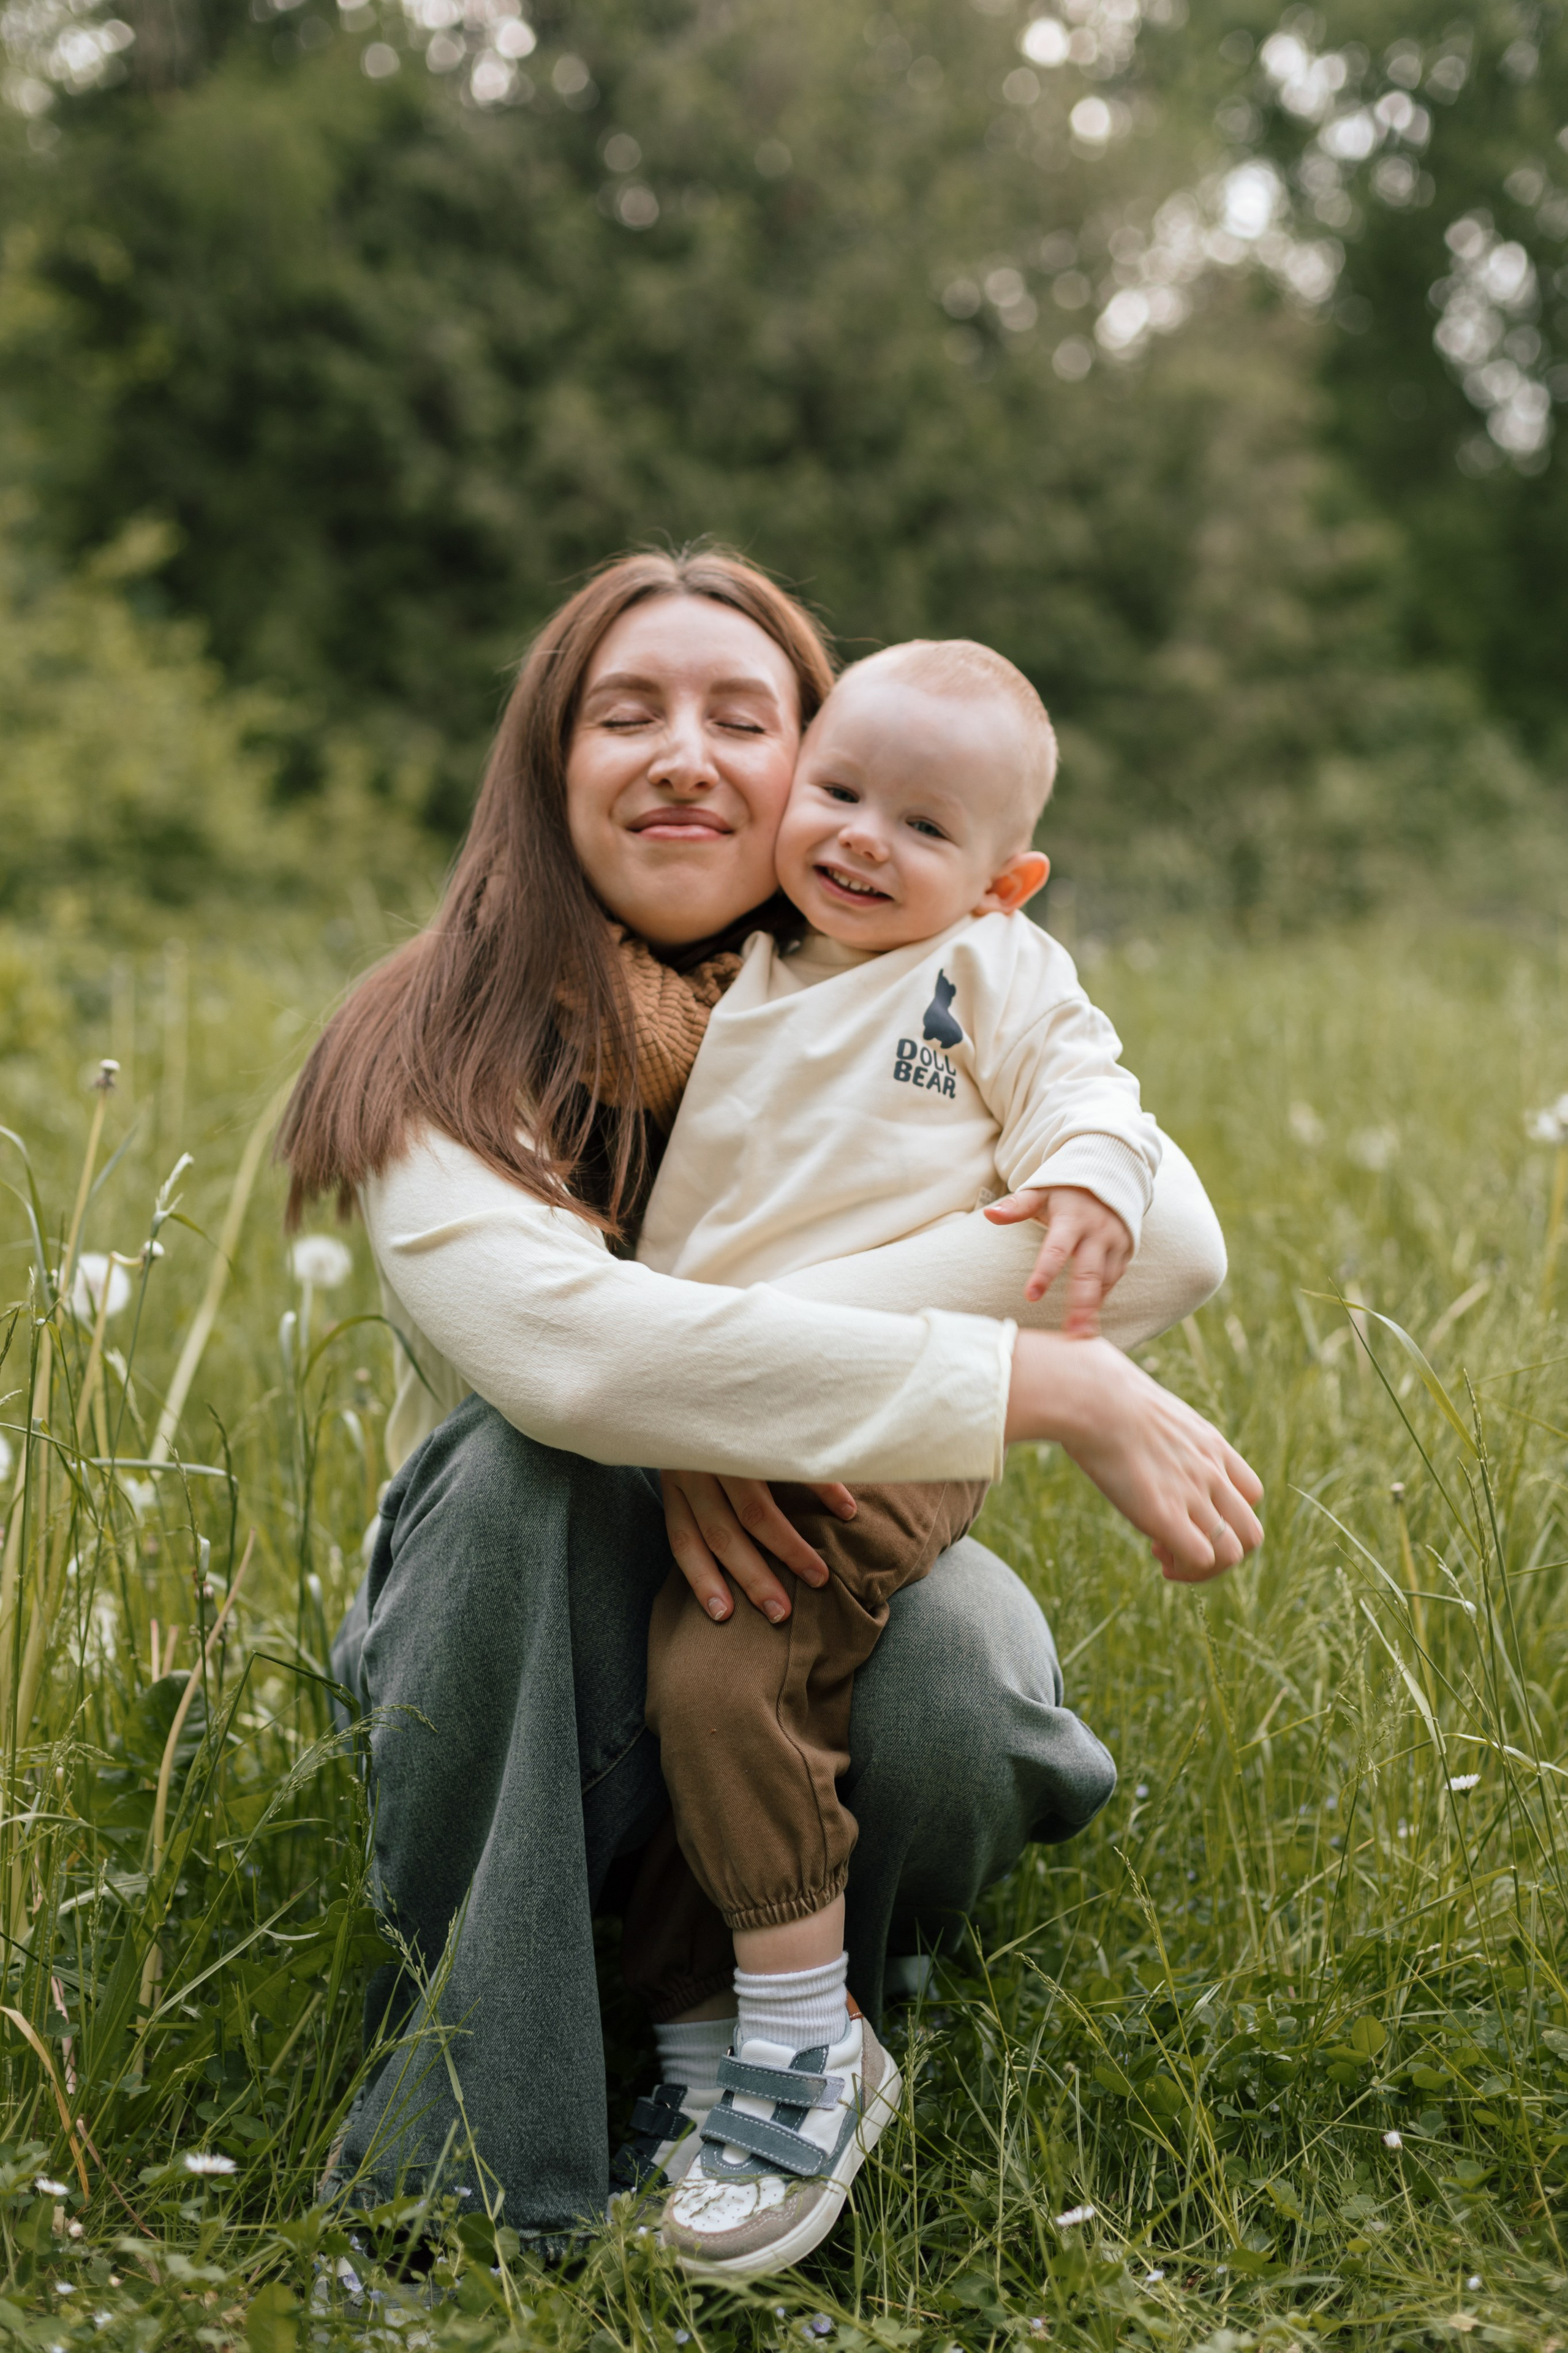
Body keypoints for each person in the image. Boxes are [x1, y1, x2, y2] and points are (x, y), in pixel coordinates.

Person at [277, 546, 1262, 2255]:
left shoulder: (916, 979)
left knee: (956, 1655)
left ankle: (778, 2046)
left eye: (745, 716)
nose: (686, 753)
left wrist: (726, 1382)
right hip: (528, 1628)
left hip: (795, 1560)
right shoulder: (441, 1036)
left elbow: (1164, 1234)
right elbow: (573, 1359)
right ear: (548, 764)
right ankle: (478, 2138)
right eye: (626, 712)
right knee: (528, 1468)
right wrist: (1019, 1372)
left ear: (800, 764)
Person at [632, 636, 1174, 2273]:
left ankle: (808, 2039)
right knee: (671, 1677)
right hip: (721, 1402)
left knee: (731, 1671)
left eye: (922, 825)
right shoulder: (744, 968)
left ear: (1002, 878)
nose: (864, 838)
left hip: (893, 1404)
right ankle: (706, 2018)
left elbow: (1090, 1078)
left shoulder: (988, 974)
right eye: (841, 791)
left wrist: (1091, 1174)